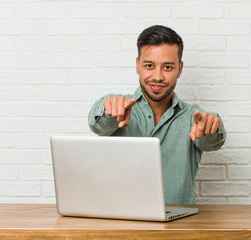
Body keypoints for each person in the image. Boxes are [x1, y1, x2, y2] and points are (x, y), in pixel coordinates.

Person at [88, 25, 226, 204]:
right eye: (149, 66)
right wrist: (107, 111)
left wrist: (212, 128)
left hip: (179, 227)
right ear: (138, 65)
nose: (158, 76)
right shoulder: (118, 107)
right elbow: (97, 123)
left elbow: (213, 141)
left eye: (167, 67)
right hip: (123, 223)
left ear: (180, 69)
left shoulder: (194, 117)